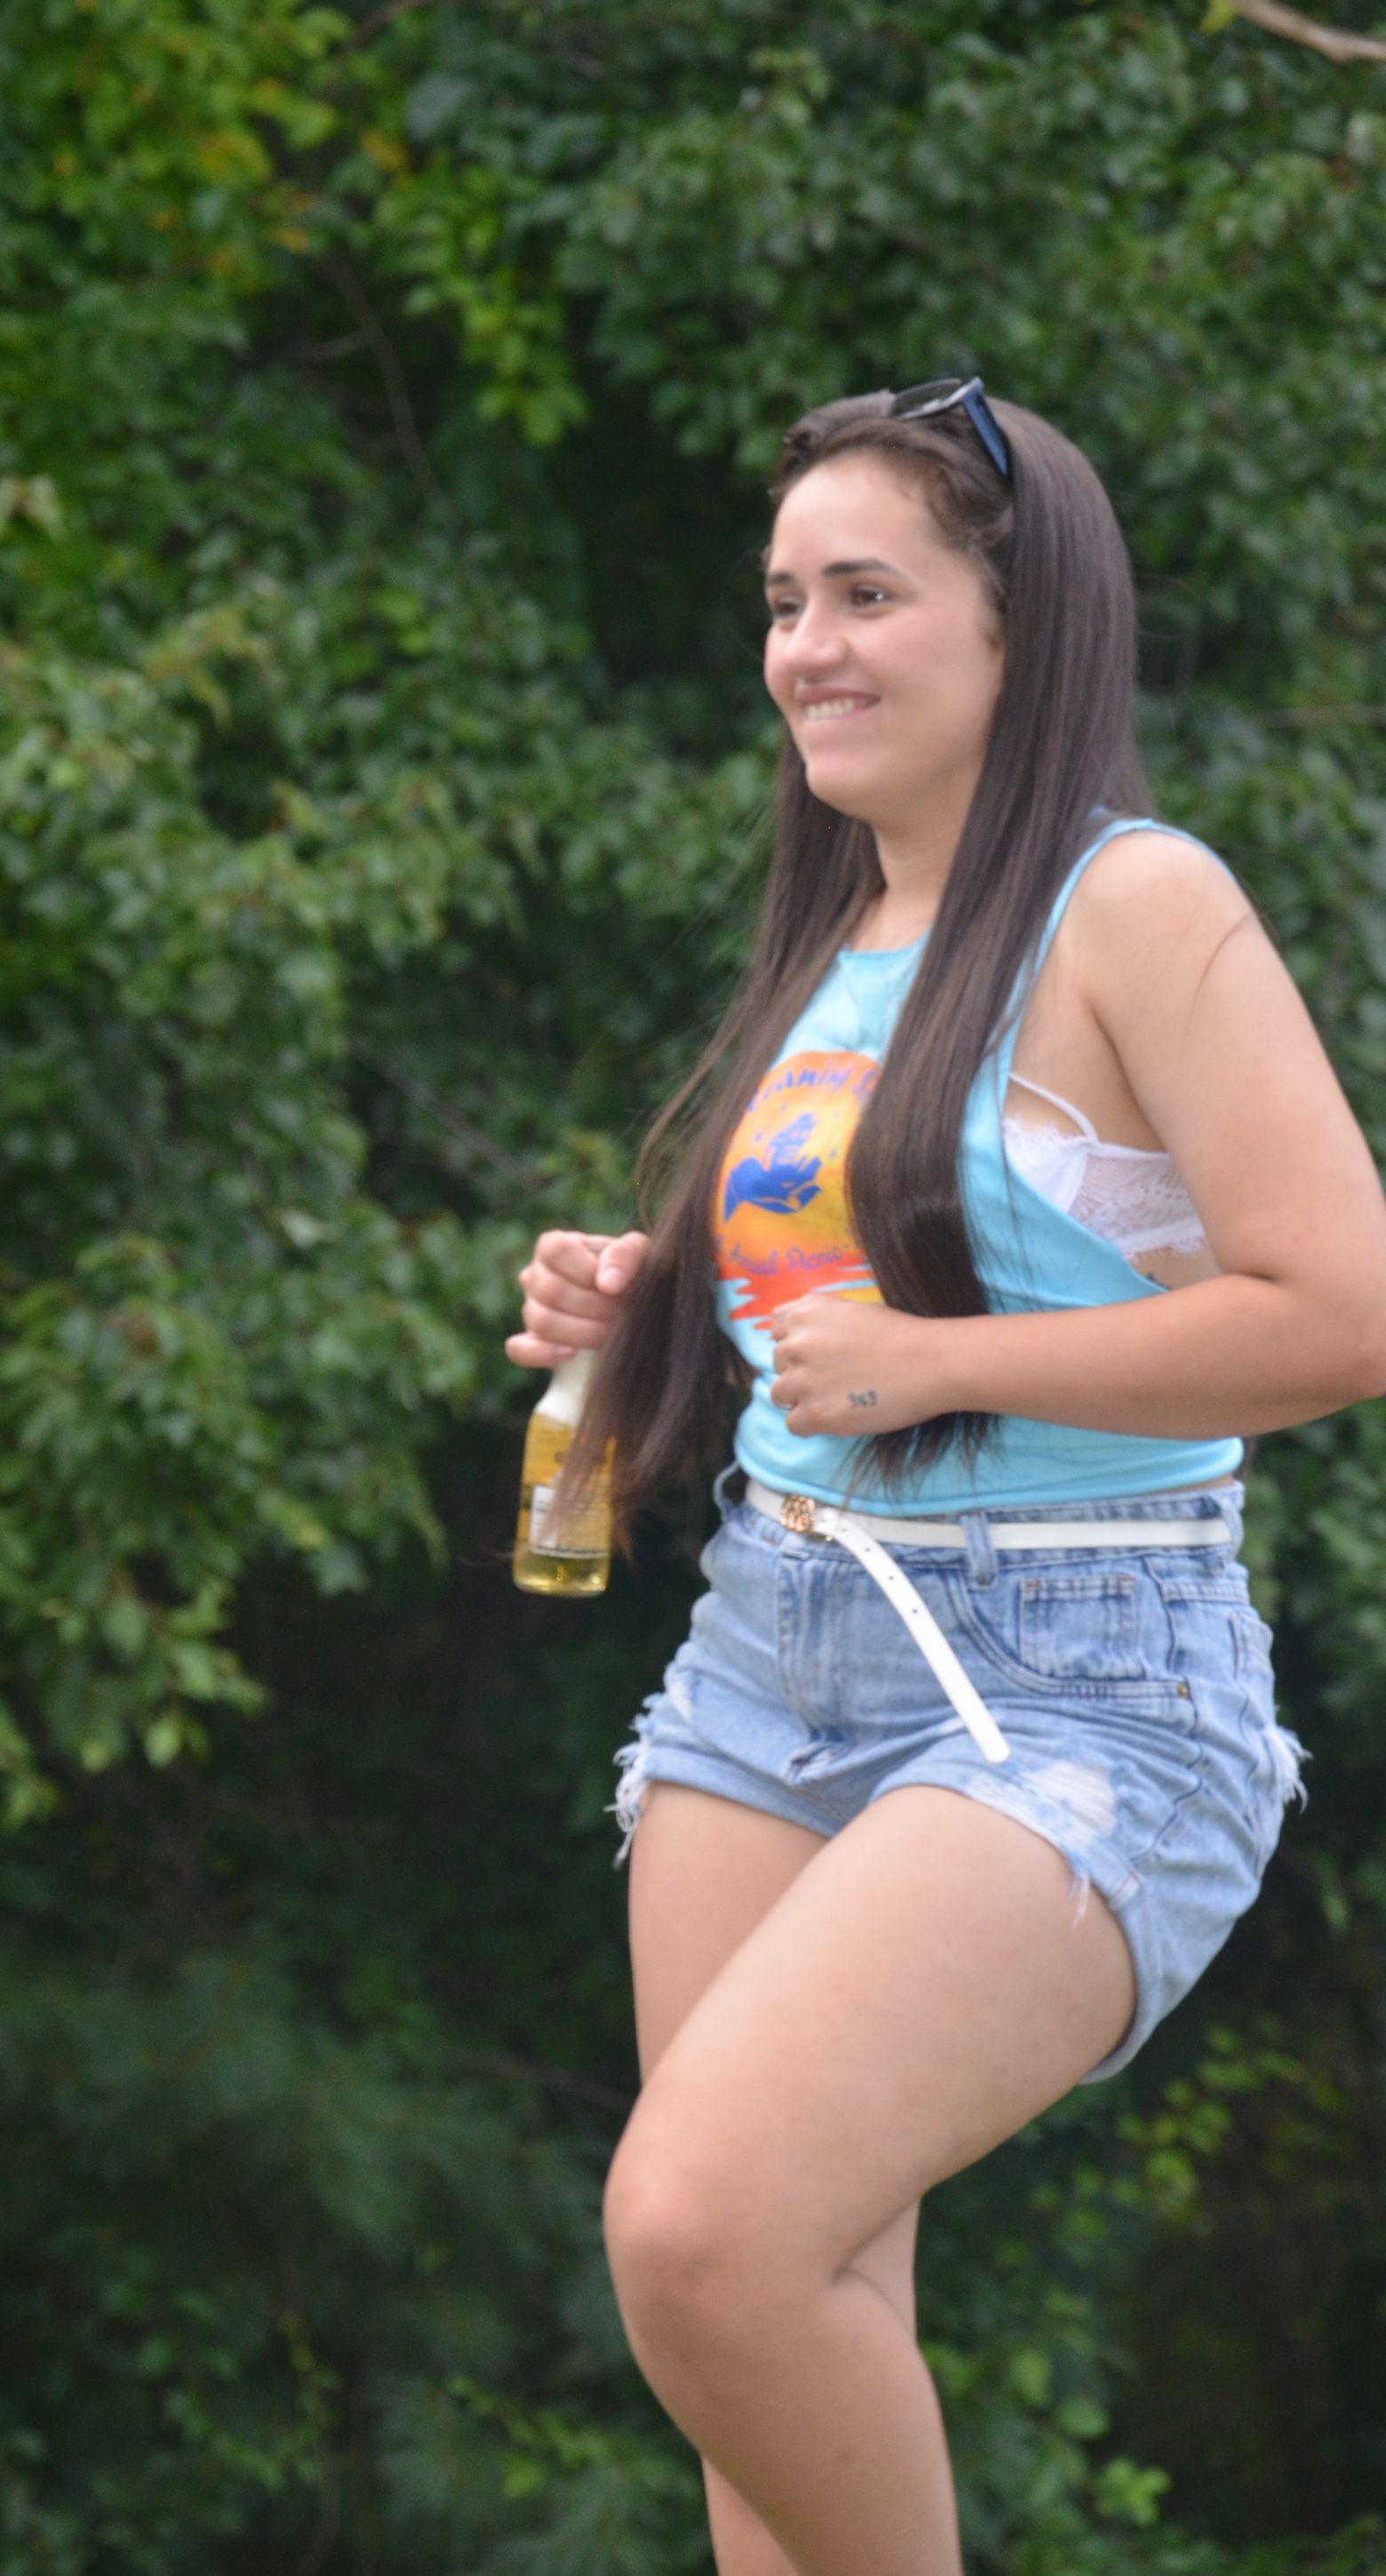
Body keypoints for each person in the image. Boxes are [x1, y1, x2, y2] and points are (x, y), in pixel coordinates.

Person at [504, 379, 1386, 2576]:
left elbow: (1347, 1307)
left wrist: (933, 1359)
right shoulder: (846, 932)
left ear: (1021, 623)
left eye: (868, 592)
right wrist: (648, 1312)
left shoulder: (1137, 903)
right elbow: (847, 1318)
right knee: (778, 2343)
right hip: (768, 1652)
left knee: (701, 2235)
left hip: (1080, 1675)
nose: (806, 642)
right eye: (785, 600)